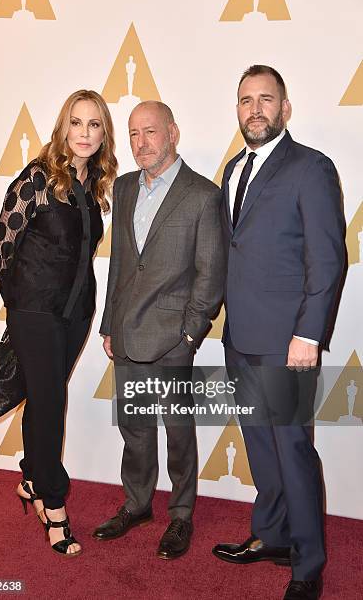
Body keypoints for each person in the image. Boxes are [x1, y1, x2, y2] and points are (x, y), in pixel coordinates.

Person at [212, 66, 345, 600]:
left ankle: (308, 563)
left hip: (289, 339)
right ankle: (271, 535)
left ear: (285, 108)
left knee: (292, 449)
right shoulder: (230, 171)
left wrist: (308, 334)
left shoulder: (311, 168)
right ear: (238, 109)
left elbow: (328, 259)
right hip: (239, 335)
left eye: (267, 99)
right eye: (246, 100)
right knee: (259, 446)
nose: (256, 109)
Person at [93, 101, 225, 559]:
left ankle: (182, 513)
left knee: (178, 429)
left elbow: (210, 276)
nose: (141, 143)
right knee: (134, 426)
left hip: (173, 340)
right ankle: (137, 503)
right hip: (127, 335)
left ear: (173, 132)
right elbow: (119, 267)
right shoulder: (126, 187)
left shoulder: (203, 196)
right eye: (133, 134)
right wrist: (110, 325)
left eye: (150, 132)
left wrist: (190, 335)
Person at [0, 89, 117, 556]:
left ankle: (31, 476)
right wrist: (19, 299)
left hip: (75, 311)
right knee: (50, 405)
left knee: (42, 401)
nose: (84, 133)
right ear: (63, 127)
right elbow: (2, 245)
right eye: (76, 123)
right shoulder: (38, 178)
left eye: (95, 125)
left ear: (103, 134)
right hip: (35, 312)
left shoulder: (93, 183)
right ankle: (54, 503)